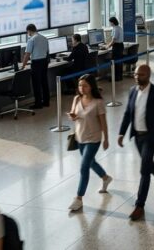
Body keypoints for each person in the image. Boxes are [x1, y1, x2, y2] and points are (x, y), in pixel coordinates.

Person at [118, 64, 154, 221]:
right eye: (135, 74)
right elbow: (128, 113)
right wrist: (121, 132)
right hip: (138, 136)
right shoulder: (132, 91)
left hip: (152, 136)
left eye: (140, 75)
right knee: (147, 163)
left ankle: (139, 205)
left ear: (148, 75)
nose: (136, 77)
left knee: (144, 170)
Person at [67, 74, 112, 211]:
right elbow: (74, 115)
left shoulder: (98, 102)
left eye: (85, 85)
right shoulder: (77, 99)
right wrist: (72, 116)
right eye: (80, 85)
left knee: (84, 166)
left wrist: (106, 139)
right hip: (80, 137)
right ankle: (105, 177)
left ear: (91, 86)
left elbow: (103, 122)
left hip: (94, 139)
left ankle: (79, 198)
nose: (82, 88)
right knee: (91, 162)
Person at [21, 24, 50, 109]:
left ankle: (38, 104)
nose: (28, 34)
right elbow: (47, 51)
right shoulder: (44, 38)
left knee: (36, 83)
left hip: (36, 63)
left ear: (29, 31)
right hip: (44, 61)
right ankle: (46, 101)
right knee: (44, 81)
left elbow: (27, 54)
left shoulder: (31, 39)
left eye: (27, 32)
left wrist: (23, 65)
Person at [104, 17, 124, 81]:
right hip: (120, 45)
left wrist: (107, 47)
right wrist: (107, 44)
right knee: (119, 62)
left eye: (109, 22)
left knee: (115, 62)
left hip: (117, 46)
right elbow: (112, 39)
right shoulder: (119, 27)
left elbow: (113, 40)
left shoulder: (115, 29)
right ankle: (119, 76)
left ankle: (116, 77)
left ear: (112, 22)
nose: (109, 23)